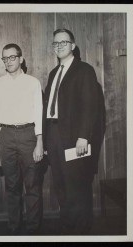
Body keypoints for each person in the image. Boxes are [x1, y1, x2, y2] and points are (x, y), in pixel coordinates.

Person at [43, 28, 103, 235]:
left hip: (74, 138)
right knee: (60, 184)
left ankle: (81, 232)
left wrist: (84, 136)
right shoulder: (53, 73)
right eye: (56, 43)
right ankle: (68, 228)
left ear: (73, 46)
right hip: (53, 135)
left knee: (77, 185)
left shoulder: (84, 70)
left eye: (63, 42)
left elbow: (90, 106)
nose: (59, 46)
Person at [0, 43, 45, 235]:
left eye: (12, 57)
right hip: (5, 136)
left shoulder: (33, 82)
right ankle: (14, 228)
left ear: (21, 59)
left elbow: (39, 113)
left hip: (28, 135)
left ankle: (33, 229)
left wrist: (39, 142)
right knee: (12, 185)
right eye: (5, 59)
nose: (8, 62)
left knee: (32, 185)